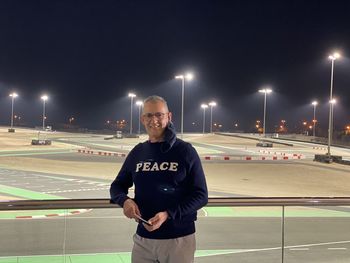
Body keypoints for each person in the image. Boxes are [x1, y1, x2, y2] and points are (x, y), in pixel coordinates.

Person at [110, 95, 208, 263]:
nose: (153, 120)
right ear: (142, 119)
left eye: (158, 115)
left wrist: (168, 215)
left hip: (179, 239)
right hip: (143, 240)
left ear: (169, 116)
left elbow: (201, 195)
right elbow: (117, 186)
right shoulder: (138, 152)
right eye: (148, 115)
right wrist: (124, 201)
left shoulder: (185, 151)